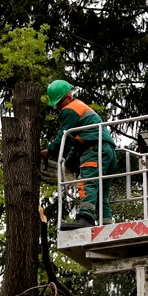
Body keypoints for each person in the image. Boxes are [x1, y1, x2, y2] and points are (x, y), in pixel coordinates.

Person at [40, 80, 117, 230]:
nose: (58, 107)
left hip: (94, 150)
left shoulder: (70, 109)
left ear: (68, 96)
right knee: (101, 193)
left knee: (88, 184)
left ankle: (86, 219)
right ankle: (107, 225)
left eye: (59, 102)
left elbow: (63, 134)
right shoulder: (82, 111)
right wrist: (68, 164)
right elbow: (77, 143)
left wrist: (50, 151)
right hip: (108, 152)